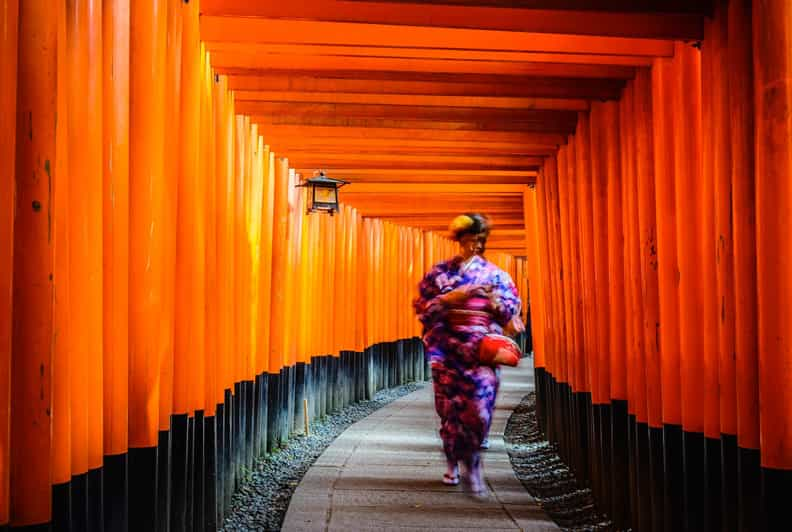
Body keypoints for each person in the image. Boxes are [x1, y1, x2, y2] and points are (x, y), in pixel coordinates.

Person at [413, 213, 522, 493]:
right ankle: (452, 463)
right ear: (459, 240)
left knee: (480, 410)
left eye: (479, 240)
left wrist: (497, 302)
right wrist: (449, 298)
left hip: (480, 351)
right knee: (450, 411)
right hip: (447, 351)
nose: (474, 246)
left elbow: (512, 312)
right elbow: (423, 310)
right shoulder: (440, 274)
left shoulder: (497, 276)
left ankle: (472, 464)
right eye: (469, 240)